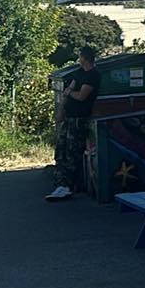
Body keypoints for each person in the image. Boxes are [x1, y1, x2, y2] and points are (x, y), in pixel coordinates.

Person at [45, 46, 101, 202]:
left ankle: (68, 186)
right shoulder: (79, 73)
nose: (79, 59)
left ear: (85, 57)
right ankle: (60, 184)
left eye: (80, 56)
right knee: (61, 149)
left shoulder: (93, 75)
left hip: (80, 118)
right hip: (68, 117)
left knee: (72, 151)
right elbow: (68, 92)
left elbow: (82, 96)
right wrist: (61, 109)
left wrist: (70, 93)